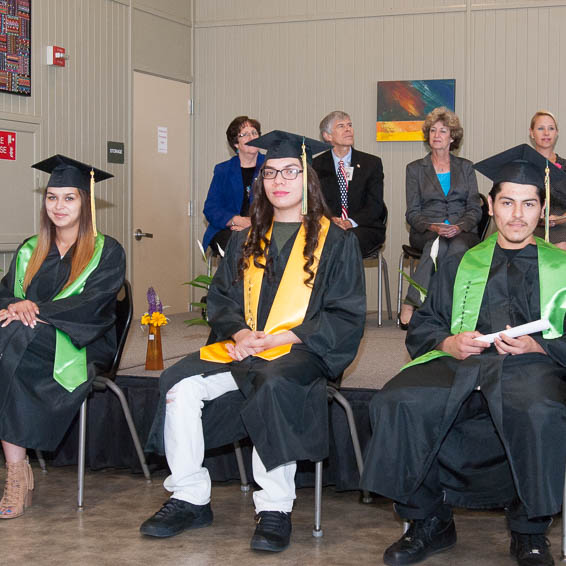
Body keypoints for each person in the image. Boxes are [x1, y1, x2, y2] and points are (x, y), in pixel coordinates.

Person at [140, 130, 366, 552]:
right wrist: (242, 334)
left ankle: (275, 508)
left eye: (290, 172)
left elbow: (345, 313)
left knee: (273, 383)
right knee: (179, 383)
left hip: (300, 353)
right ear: (261, 182)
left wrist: (283, 337)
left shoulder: (336, 241)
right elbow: (222, 299)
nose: (279, 180)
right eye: (270, 173)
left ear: (307, 179)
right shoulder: (246, 237)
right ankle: (189, 496)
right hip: (244, 350)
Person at [361, 144, 566, 566]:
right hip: (462, 363)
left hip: (531, 366)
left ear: (542, 210)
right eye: (507, 202)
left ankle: (530, 529)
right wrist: (447, 343)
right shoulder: (461, 262)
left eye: (529, 204)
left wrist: (540, 344)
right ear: (490, 205)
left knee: (540, 410)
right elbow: (425, 324)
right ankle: (428, 520)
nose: (516, 215)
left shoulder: (561, 267)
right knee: (398, 400)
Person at [0, 154, 125, 519]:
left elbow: (94, 306)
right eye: (52, 197)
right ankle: (18, 469)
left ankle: (16, 473)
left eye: (69, 197)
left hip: (81, 342)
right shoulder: (29, 250)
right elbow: (7, 292)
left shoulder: (107, 250)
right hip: (24, 339)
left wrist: (31, 311)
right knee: (13, 342)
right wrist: (14, 306)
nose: (58, 205)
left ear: (86, 202)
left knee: (13, 343)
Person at [399, 107, 482, 328]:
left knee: (452, 246)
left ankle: (414, 302)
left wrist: (460, 226)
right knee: (437, 244)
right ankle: (441, 307)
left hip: (462, 232)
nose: (437, 135)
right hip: (426, 231)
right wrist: (434, 227)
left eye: (443, 131)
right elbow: (412, 212)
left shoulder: (466, 167)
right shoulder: (415, 169)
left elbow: (475, 208)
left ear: (452, 137)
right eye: (433, 130)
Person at [312, 110, 386, 256]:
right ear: (327, 136)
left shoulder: (371, 163)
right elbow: (314, 204)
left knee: (346, 240)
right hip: (328, 226)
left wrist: (349, 222)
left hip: (363, 227)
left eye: (350, 125)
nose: (348, 129)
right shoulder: (316, 165)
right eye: (341, 126)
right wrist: (330, 221)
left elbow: (375, 205)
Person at [202, 115, 265, 253]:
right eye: (245, 134)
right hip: (229, 228)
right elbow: (211, 208)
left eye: (254, 133)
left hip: (262, 227)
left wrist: (253, 224)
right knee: (236, 243)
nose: (252, 137)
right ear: (236, 143)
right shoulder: (223, 170)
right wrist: (236, 220)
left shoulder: (271, 167)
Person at [530, 110, 566, 248]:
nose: (546, 133)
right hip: (530, 224)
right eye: (540, 128)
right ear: (532, 133)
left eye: (551, 128)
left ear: (556, 133)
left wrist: (561, 218)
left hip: (562, 225)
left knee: (562, 245)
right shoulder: (523, 166)